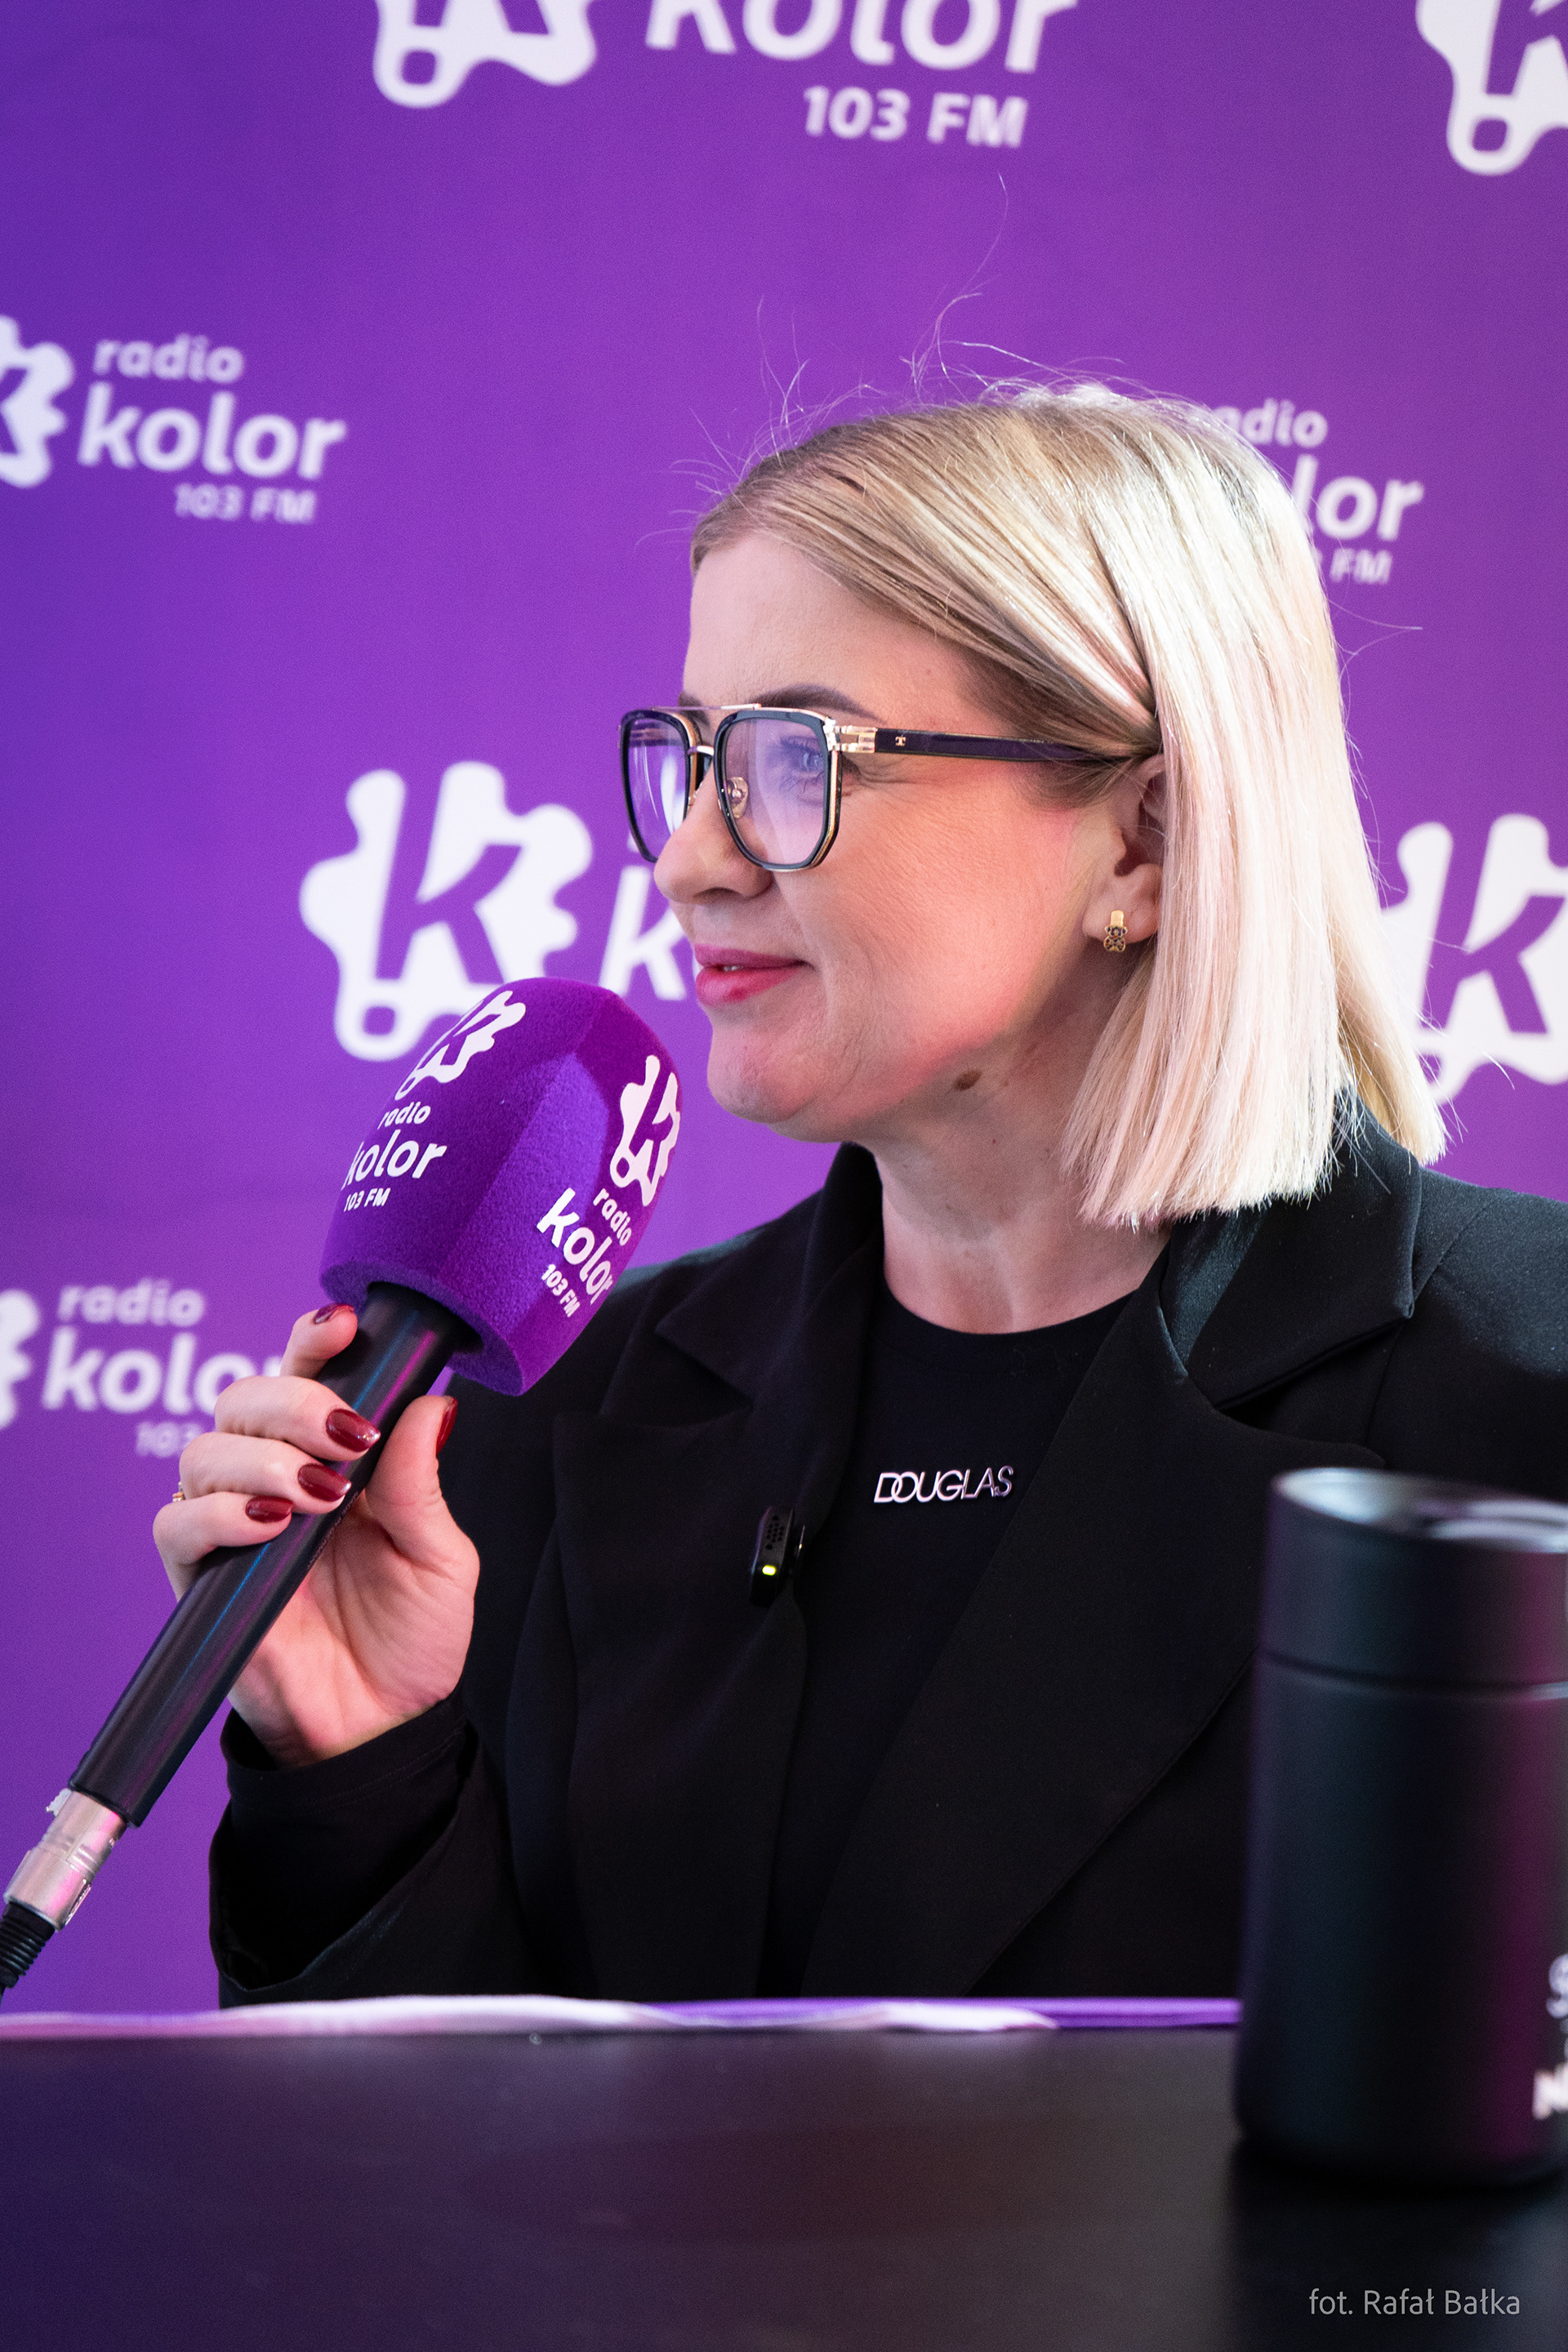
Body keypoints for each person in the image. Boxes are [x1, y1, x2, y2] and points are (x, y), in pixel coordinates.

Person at [156, 389, 1568, 2006]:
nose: (690, 859)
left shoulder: (1525, 1403)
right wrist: (359, 1765)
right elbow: (439, 2149)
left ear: (1145, 837)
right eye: (693, 757)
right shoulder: (541, 1429)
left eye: (793, 759)